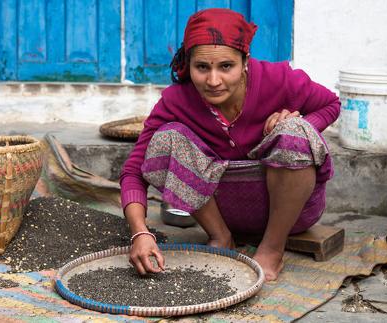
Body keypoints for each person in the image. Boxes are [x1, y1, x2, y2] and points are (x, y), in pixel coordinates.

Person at [119, 8, 340, 281]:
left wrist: (300, 124)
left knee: (294, 131)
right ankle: (221, 238)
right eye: (202, 67)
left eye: (226, 66)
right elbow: (133, 171)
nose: (213, 81)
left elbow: (331, 104)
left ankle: (272, 249)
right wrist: (140, 232)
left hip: (291, 216)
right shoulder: (177, 100)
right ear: (188, 64)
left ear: (245, 61)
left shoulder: (278, 80)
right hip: (225, 215)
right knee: (166, 138)